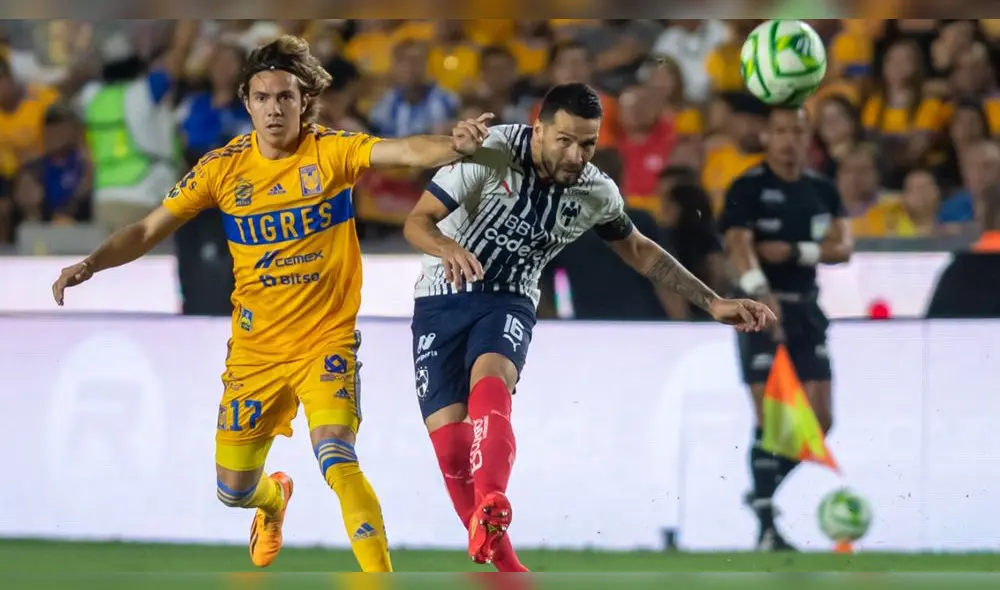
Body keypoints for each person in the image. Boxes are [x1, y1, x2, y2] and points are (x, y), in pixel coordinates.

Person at [50, 35, 493, 573]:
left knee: (336, 455)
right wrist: (92, 263)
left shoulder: (331, 152)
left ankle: (380, 579)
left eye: (286, 97)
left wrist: (455, 144)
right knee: (232, 490)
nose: (275, 108)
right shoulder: (223, 169)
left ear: (304, 101)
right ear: (247, 103)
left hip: (326, 340)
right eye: (263, 97)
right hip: (255, 352)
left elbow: (400, 151)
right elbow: (147, 228)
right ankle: (273, 500)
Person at [402, 82, 776, 570]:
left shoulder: (595, 191)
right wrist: (447, 248)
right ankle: (507, 566)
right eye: (566, 140)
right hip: (440, 300)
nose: (577, 154)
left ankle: (493, 499)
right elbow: (417, 223)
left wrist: (713, 302)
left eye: (589, 143)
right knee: (451, 448)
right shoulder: (490, 153)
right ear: (539, 129)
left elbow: (639, 249)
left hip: (509, 300)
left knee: (492, 380)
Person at [718, 106, 854, 551]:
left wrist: (795, 251)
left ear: (808, 136)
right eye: (780, 131)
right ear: (767, 136)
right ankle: (766, 524)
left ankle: (759, 495)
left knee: (821, 419)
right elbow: (739, 245)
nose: (789, 140)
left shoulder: (822, 189)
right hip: (758, 309)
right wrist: (759, 289)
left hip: (806, 310)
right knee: (772, 421)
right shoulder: (748, 187)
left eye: (797, 131)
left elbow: (843, 247)